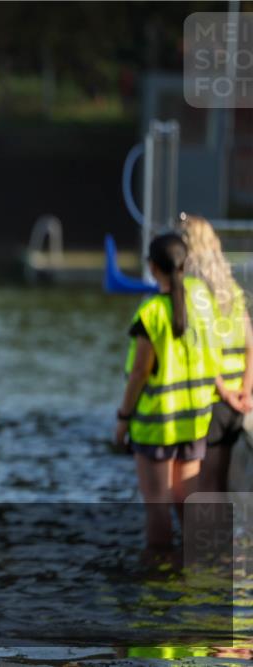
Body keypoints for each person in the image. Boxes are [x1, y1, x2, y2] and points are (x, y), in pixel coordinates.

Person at [114, 233, 221, 553]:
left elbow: (139, 373)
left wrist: (122, 419)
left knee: (157, 504)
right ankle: (196, 571)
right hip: (194, 421)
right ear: (186, 264)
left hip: (156, 423)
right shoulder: (202, 300)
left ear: (151, 267)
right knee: (186, 501)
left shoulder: (151, 315)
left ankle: (158, 582)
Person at [180, 213, 253, 492]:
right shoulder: (231, 290)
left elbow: (202, 350)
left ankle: (205, 537)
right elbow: (250, 343)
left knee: (204, 485)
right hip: (237, 401)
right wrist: (245, 390)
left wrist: (224, 392)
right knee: (219, 485)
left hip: (213, 397)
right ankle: (221, 537)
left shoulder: (193, 290)